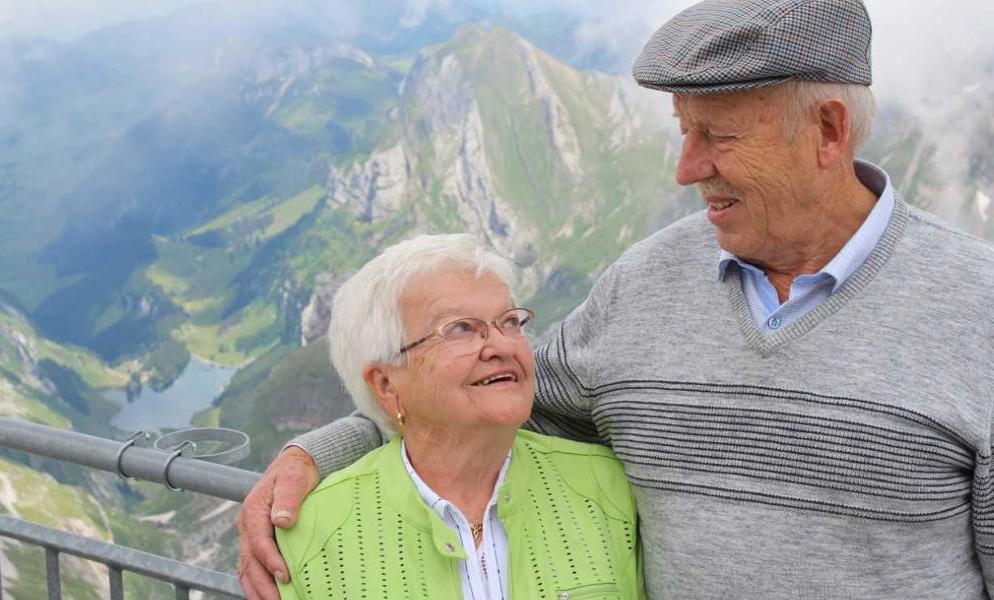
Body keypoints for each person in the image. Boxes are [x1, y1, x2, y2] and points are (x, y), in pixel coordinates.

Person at [239, 0, 994, 598]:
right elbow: (490, 390)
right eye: (682, 132)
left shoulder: (976, 307)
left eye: (717, 137)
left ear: (827, 131)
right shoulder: (645, 283)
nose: (686, 168)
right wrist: (319, 452)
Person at [271, 233, 644, 600]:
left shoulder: (609, 487)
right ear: (385, 384)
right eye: (460, 329)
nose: (501, 345)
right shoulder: (314, 531)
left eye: (510, 322)